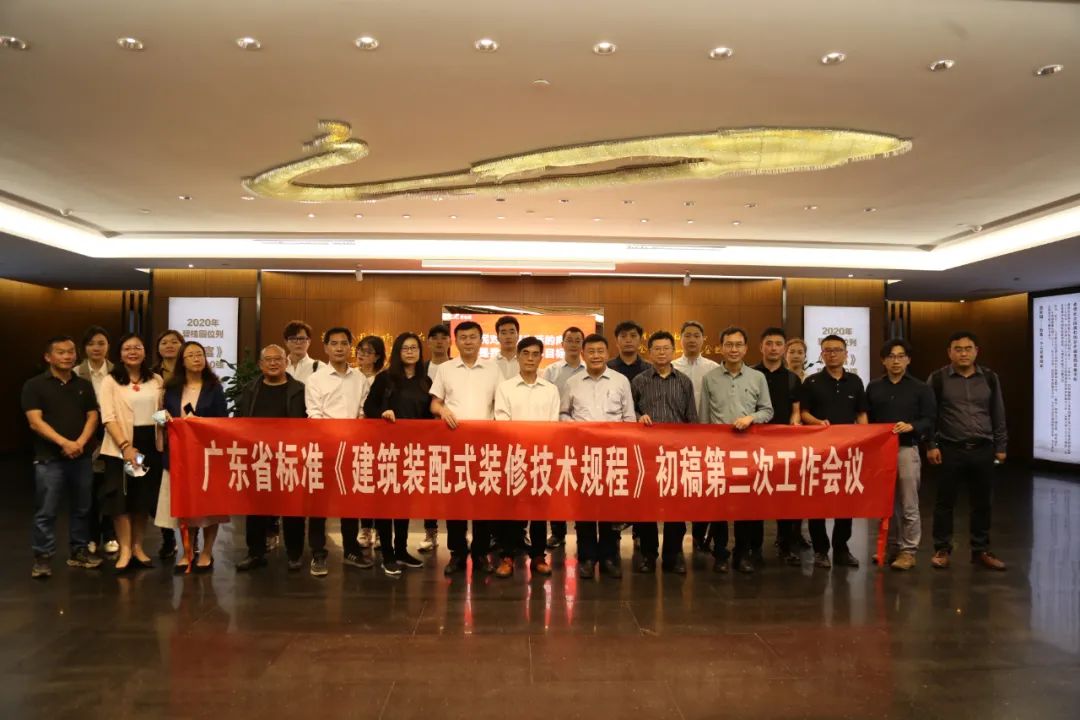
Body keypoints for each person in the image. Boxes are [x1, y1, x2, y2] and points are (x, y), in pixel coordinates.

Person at [926, 331, 1008, 571]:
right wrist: (931, 445)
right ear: (949, 352)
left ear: (976, 351)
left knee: (982, 503)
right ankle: (942, 549)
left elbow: (998, 413)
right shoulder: (938, 379)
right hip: (950, 448)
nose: (963, 353)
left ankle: (980, 550)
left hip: (983, 448)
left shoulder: (989, 378)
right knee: (945, 502)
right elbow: (930, 416)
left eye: (968, 348)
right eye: (958, 349)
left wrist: (1001, 446)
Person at [22, 336, 103, 578]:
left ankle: (79, 552)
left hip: (81, 456)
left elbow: (93, 416)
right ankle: (43, 558)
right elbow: (35, 422)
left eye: (70, 351)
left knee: (82, 508)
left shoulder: (83, 385)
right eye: (61, 352)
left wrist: (80, 443)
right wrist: (64, 443)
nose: (67, 356)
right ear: (48, 357)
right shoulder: (34, 385)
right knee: (46, 510)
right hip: (49, 458)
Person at [430, 320, 503, 575]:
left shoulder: (493, 369)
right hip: (454, 444)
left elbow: (502, 402)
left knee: (482, 501)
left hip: (485, 446)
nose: (468, 341)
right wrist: (443, 411)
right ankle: (457, 553)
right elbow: (435, 403)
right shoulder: (445, 369)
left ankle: (480, 553)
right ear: (456, 341)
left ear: (481, 341)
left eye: (473, 337)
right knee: (456, 501)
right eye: (463, 337)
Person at [561, 333, 636, 580]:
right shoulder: (572, 382)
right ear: (583, 354)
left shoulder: (620, 381)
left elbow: (629, 417)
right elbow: (563, 413)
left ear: (607, 354)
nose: (595, 356)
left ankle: (609, 557)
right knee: (584, 509)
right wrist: (578, 430)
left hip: (613, 455)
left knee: (610, 509)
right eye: (591, 351)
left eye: (600, 351)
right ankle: (586, 558)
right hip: (582, 455)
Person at [700, 327, 774, 574]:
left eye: (738, 345)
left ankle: (742, 554)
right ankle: (720, 554)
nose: (733, 349)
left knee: (744, 505)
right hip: (718, 452)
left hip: (747, 451)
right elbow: (704, 418)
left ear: (746, 348)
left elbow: (767, 410)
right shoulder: (710, 378)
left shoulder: (757, 377)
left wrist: (751, 418)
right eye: (729, 344)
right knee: (719, 506)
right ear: (721, 347)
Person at [234, 345, 309, 572]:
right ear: (261, 364)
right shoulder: (250, 389)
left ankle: (294, 554)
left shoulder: (299, 389)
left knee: (292, 508)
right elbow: (240, 420)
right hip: (258, 456)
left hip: (290, 456)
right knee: (256, 508)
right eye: (268, 359)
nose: (274, 363)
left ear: (286, 362)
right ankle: (255, 553)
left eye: (278, 359)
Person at [157, 341, 229, 573]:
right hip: (180, 456)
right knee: (185, 505)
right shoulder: (171, 388)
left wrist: (202, 424)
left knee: (209, 507)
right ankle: (188, 551)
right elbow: (159, 416)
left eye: (200, 354)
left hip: (207, 455)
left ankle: (206, 551)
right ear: (182, 361)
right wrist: (164, 419)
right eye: (191, 355)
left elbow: (223, 421)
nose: (197, 358)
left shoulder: (214, 387)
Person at [305, 326, 372, 576]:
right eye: (334, 344)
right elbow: (314, 415)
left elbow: (364, 411)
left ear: (350, 347)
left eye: (344, 343)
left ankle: (351, 550)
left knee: (350, 503)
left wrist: (355, 431)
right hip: (324, 450)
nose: (339, 348)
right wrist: (335, 436)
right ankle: (318, 553)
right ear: (325, 348)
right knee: (319, 505)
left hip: (353, 450)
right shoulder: (316, 379)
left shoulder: (359, 378)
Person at [364, 332, 431, 577]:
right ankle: (388, 554)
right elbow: (369, 406)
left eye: (414, 348)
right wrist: (383, 413)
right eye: (405, 348)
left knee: (404, 503)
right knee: (386, 503)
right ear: (397, 352)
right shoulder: (385, 378)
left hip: (413, 451)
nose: (410, 352)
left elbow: (428, 414)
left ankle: (401, 550)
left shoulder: (426, 381)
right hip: (387, 450)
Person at [493, 336, 560, 578]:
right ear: (518, 357)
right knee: (511, 510)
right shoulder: (506, 387)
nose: (530, 358)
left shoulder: (550, 390)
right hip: (514, 457)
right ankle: (507, 557)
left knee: (540, 511)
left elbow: (553, 424)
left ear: (541, 357)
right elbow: (502, 422)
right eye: (525, 354)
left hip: (541, 457)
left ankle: (538, 556)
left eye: (535, 354)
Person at [866, 338, 936, 571]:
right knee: (885, 504)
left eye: (900, 356)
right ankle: (889, 547)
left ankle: (908, 551)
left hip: (906, 449)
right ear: (883, 361)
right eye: (891, 357)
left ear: (908, 360)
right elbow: (867, 420)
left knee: (908, 503)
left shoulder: (921, 388)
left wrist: (912, 426)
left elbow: (929, 419)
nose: (896, 361)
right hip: (880, 453)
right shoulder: (874, 387)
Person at [631, 330, 697, 574]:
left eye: (666, 348)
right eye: (656, 349)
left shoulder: (684, 381)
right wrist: (639, 417)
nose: (661, 353)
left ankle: (673, 555)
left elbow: (692, 418)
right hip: (647, 453)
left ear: (673, 351)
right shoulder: (639, 381)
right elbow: (629, 411)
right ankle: (649, 554)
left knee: (676, 507)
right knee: (647, 506)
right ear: (649, 352)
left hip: (677, 453)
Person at [98, 333, 165, 573]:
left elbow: (159, 412)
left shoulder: (155, 379)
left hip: (149, 444)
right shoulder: (111, 381)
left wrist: (164, 423)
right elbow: (108, 417)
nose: (133, 352)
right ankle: (125, 549)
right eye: (127, 348)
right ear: (120, 353)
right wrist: (126, 446)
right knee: (121, 500)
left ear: (145, 352)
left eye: (138, 347)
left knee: (141, 499)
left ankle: (138, 547)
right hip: (122, 446)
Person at [800, 334, 868, 569]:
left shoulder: (855, 382)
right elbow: (804, 413)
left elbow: (861, 414)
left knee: (845, 502)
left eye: (837, 350)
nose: (832, 354)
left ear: (846, 354)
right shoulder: (811, 382)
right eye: (827, 350)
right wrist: (818, 423)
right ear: (821, 354)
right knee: (817, 502)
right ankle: (821, 550)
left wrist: (866, 439)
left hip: (847, 452)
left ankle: (841, 548)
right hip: (818, 451)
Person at [754, 327, 804, 566]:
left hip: (784, 445)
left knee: (785, 496)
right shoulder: (751, 374)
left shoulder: (792, 378)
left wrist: (795, 425)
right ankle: (754, 548)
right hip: (754, 445)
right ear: (761, 347)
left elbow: (796, 411)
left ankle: (786, 546)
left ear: (784, 349)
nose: (773, 348)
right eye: (769, 343)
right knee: (754, 496)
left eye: (778, 344)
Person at [673, 320, 720, 553]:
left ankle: (700, 535)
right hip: (678, 438)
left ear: (703, 339)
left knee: (703, 487)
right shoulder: (672, 366)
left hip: (706, 436)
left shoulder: (714, 368)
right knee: (680, 487)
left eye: (696, 335)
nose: (692, 339)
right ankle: (677, 535)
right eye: (687, 335)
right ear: (680, 339)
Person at [541, 326, 586, 549]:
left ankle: (582, 531)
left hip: (584, 436)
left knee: (581, 484)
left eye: (578, 340)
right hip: (556, 434)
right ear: (562, 344)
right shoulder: (552, 371)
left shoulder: (589, 368)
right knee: (557, 483)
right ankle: (557, 532)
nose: (573, 344)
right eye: (570, 340)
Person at [74, 325, 117, 556]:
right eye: (91, 344)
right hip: (86, 437)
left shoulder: (118, 372)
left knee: (111, 487)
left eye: (101, 343)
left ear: (108, 346)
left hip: (114, 436)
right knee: (88, 489)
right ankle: (91, 536)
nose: (96, 348)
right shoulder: (75, 373)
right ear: (84, 348)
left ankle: (109, 534)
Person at [150, 328, 183, 559]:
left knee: (186, 490)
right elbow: (149, 408)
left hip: (185, 439)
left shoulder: (190, 372)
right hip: (158, 439)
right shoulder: (151, 375)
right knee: (159, 492)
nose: (169, 345)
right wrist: (163, 419)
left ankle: (191, 540)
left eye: (174, 342)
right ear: (158, 348)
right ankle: (168, 538)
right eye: (164, 342)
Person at [420, 323, 452, 553]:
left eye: (444, 337)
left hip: (452, 432)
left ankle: (457, 536)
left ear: (450, 341)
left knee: (455, 485)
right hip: (425, 434)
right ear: (428, 341)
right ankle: (430, 532)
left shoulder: (456, 367)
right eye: (435, 337)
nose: (439, 341)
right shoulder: (420, 368)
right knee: (429, 486)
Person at [355, 335, 387, 550]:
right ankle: (365, 527)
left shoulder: (385, 378)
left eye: (368, 352)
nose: (362, 355)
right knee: (363, 483)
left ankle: (380, 530)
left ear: (377, 356)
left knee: (380, 483)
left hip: (379, 436)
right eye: (360, 350)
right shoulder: (351, 375)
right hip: (356, 436)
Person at [494, 315, 520, 379]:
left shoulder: (525, 362)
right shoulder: (492, 363)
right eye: (504, 333)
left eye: (512, 332)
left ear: (518, 336)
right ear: (497, 337)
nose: (508, 336)